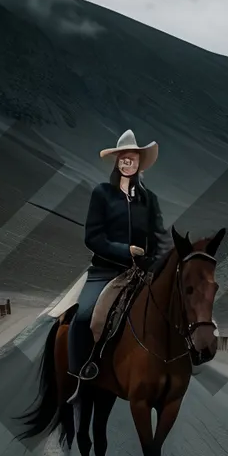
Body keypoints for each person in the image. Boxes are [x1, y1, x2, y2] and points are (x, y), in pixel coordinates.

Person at [68, 128, 171, 380]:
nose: (128, 163)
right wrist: (126, 252)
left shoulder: (149, 200)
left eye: (132, 159)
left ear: (139, 163)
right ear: (117, 161)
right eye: (123, 158)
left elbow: (159, 238)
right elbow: (93, 237)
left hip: (141, 273)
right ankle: (79, 373)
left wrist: (157, 264)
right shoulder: (102, 193)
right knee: (82, 318)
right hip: (104, 271)